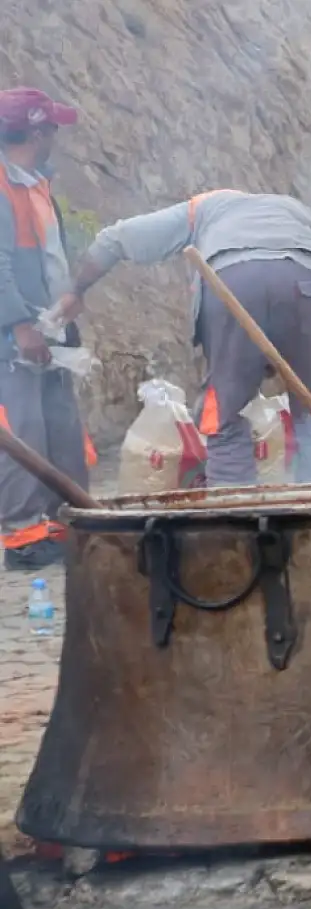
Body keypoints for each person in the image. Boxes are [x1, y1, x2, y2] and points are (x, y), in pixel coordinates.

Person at [66, 189, 311, 487]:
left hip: (233, 286)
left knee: (224, 416)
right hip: (306, 287)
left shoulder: (206, 207)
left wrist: (75, 290)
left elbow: (117, 238)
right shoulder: (309, 219)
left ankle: (233, 515)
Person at [0, 88, 89, 570]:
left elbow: (50, 257)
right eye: (53, 126)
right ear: (37, 131)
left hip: (47, 328)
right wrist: (17, 326)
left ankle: (70, 525)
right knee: (24, 431)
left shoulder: (36, 183)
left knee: (60, 428)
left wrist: (65, 307)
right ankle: (24, 539)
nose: (57, 134)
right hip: (14, 336)